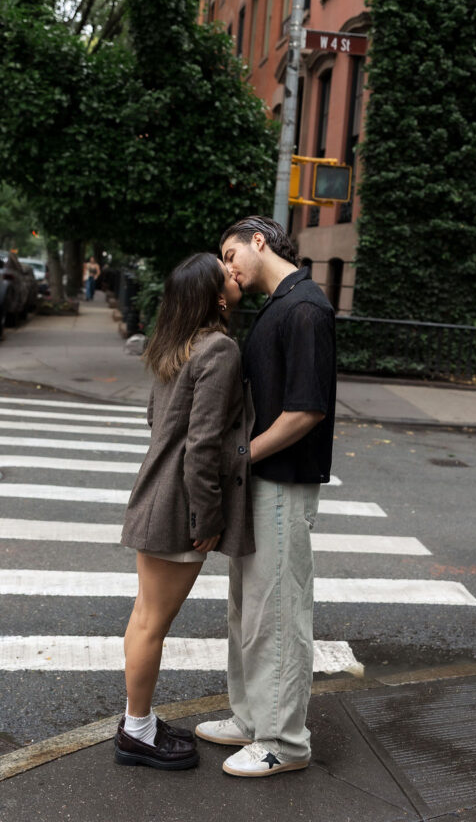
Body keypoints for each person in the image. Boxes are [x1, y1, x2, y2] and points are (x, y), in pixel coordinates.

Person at [196, 216, 336, 777]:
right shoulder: (281, 305)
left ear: (259, 241)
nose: (227, 269)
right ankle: (252, 720)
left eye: (230, 255)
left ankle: (283, 742)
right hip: (262, 480)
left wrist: (242, 455)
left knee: (276, 614)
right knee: (248, 611)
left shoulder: (305, 308)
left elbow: (306, 410)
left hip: (283, 480)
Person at [115, 252, 254, 771]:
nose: (234, 273)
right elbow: (203, 444)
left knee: (144, 617)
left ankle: (140, 722)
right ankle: (136, 732)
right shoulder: (219, 348)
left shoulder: (174, 344)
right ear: (216, 297)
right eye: (225, 272)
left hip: (156, 492)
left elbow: (156, 419)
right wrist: (207, 518)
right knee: (152, 623)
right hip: (177, 505)